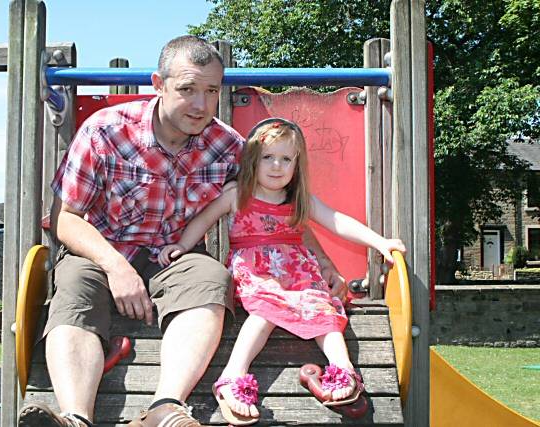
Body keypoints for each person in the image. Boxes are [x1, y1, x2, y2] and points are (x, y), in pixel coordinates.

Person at [17, 35, 343, 427]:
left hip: (174, 256)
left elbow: (282, 206)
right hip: (101, 250)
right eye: (187, 89)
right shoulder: (104, 131)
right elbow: (65, 217)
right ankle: (75, 417)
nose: (201, 105)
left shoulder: (228, 147)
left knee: (211, 278)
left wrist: (323, 260)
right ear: (158, 83)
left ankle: (164, 406)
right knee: (73, 287)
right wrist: (116, 266)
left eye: (210, 91)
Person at [159, 118, 406, 425]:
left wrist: (378, 242)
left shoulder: (298, 201)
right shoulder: (239, 196)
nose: (277, 166)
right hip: (257, 272)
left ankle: (343, 370)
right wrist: (182, 245)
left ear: (296, 164)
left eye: (286, 159)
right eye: (268, 157)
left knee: (324, 310)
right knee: (265, 309)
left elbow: (337, 220)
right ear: (253, 160)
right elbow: (204, 219)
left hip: (297, 274)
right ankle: (233, 374)